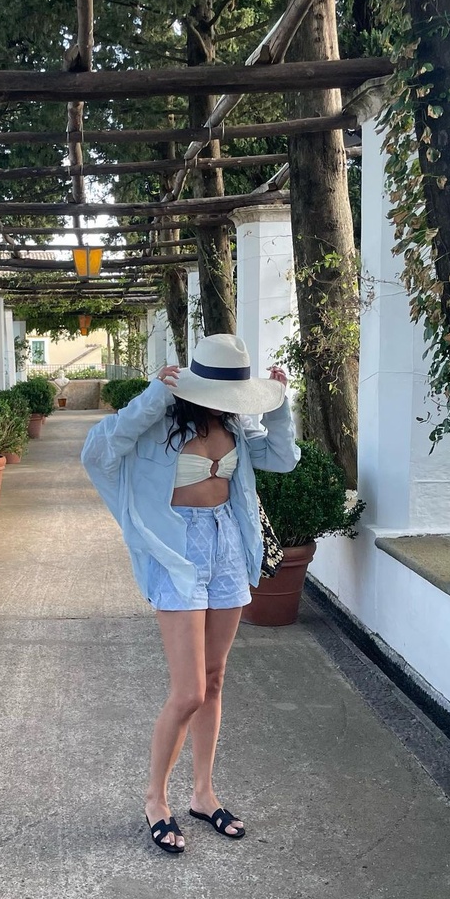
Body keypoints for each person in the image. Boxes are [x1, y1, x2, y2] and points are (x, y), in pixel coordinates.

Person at [81, 333, 300, 854]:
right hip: (178, 552)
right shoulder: (157, 421)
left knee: (214, 678)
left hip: (228, 547)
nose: (226, 403)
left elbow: (282, 457)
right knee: (189, 692)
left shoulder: (234, 423)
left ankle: (203, 793)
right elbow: (98, 451)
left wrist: (278, 404)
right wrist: (153, 396)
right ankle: (155, 799)